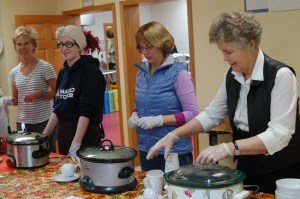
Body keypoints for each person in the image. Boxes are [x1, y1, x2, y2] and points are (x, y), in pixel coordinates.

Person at [146, 11, 300, 194]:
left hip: (281, 168)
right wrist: (175, 134)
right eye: (222, 52)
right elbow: (212, 114)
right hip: (247, 161)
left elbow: (279, 134)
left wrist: (228, 147)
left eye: (229, 52)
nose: (224, 58)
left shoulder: (281, 76)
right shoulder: (232, 75)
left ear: (251, 44)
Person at [128, 21, 199, 171]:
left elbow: (193, 114)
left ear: (162, 44)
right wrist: (135, 113)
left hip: (173, 150)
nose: (145, 52)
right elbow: (142, 102)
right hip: (147, 148)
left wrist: (159, 120)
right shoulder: (141, 72)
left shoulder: (179, 74)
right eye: (141, 47)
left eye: (149, 47)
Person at [43, 25, 106, 161]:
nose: (64, 48)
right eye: (61, 44)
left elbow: (86, 111)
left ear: (79, 46)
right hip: (65, 135)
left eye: (69, 43)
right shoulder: (62, 73)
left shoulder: (90, 72)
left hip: (86, 136)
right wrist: (43, 138)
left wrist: (76, 143)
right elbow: (58, 109)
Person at [8, 26, 57, 152]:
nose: (22, 48)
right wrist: (4, 100)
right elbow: (16, 100)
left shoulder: (45, 67)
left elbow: (59, 94)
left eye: (26, 43)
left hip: (45, 122)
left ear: (33, 45)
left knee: (46, 155)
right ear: (15, 47)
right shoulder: (13, 73)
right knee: (26, 157)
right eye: (19, 44)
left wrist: (40, 94)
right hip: (23, 124)